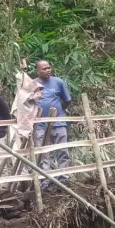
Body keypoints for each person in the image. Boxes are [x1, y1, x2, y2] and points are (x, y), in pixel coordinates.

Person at [34, 60, 72, 188]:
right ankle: (46, 180)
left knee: (62, 150)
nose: (48, 70)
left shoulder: (58, 82)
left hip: (58, 121)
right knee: (43, 153)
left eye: (49, 68)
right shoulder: (32, 84)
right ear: (37, 71)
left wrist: (59, 111)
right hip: (39, 125)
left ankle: (63, 178)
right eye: (44, 69)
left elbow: (67, 100)